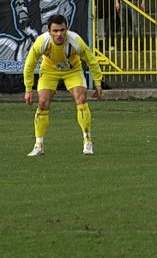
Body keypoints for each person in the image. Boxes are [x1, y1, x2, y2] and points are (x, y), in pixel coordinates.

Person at [23, 14, 104, 156]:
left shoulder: (76, 41)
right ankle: (38, 145)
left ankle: (87, 141)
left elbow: (91, 60)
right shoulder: (41, 42)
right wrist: (28, 89)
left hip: (72, 70)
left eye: (62, 30)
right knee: (42, 102)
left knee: (81, 99)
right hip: (49, 71)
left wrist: (98, 82)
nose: (59, 34)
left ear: (66, 29)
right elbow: (29, 66)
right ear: (49, 31)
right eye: (55, 31)